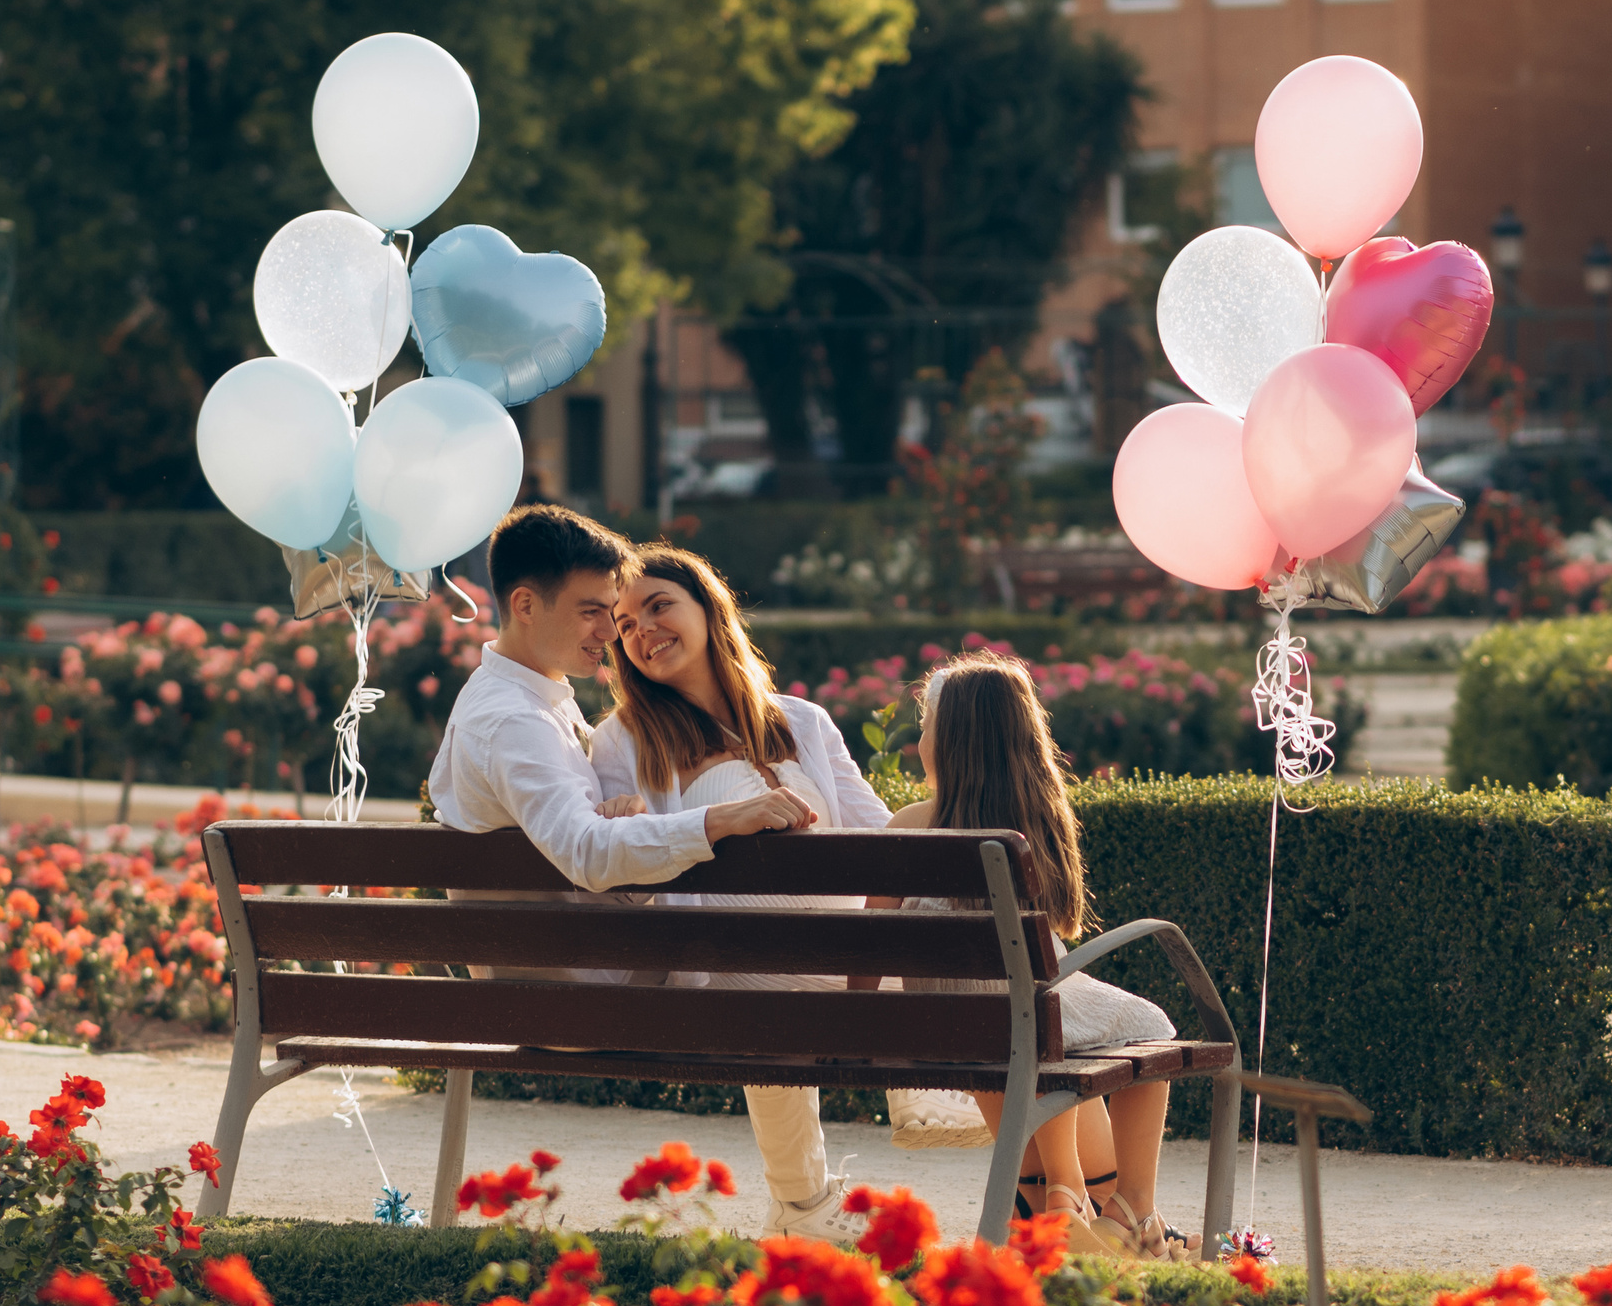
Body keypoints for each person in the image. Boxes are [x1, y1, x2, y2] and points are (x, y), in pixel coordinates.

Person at [589, 546, 986, 1241]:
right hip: (721, 956)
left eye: (658, 606)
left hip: (821, 956)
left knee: (905, 905)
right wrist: (632, 820)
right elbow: (625, 861)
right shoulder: (620, 741)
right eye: (624, 623)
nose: (642, 630)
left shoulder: (801, 722)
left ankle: (803, 1206)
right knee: (780, 950)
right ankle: (911, 1099)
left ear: (710, 610)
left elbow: (878, 841)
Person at [866, 651, 1181, 1260]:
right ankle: (1130, 1207)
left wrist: (860, 1013)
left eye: (926, 726)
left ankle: (1054, 1204)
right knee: (1150, 1025)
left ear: (952, 742)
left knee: (1032, 1018)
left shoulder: (909, 823)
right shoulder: (1031, 830)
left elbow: (871, 941)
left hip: (949, 1017)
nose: (920, 740)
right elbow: (1054, 935)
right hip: (1022, 1012)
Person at [426, 506, 817, 963]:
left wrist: (623, 813)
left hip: (594, 983)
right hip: (585, 1003)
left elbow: (584, 838)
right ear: (525, 606)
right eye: (592, 612)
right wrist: (723, 819)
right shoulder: (512, 718)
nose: (611, 633)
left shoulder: (534, 698)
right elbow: (587, 852)